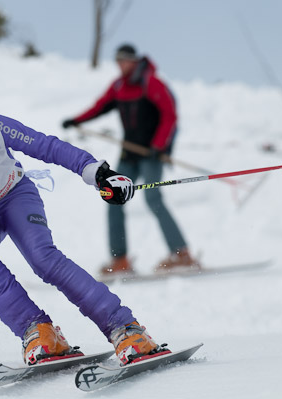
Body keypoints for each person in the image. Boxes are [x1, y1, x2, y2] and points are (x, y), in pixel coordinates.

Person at [0, 60, 166, 366]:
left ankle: (125, 328)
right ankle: (38, 331)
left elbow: (45, 146)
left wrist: (95, 172)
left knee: (44, 259)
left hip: (14, 196)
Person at [61, 44, 199, 277]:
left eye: (124, 61)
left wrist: (159, 145)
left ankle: (181, 254)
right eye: (117, 61)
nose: (120, 65)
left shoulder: (151, 83)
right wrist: (77, 120)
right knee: (113, 197)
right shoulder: (119, 87)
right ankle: (121, 260)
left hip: (151, 154)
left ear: (134, 61)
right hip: (129, 154)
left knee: (153, 198)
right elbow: (100, 107)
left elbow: (170, 115)